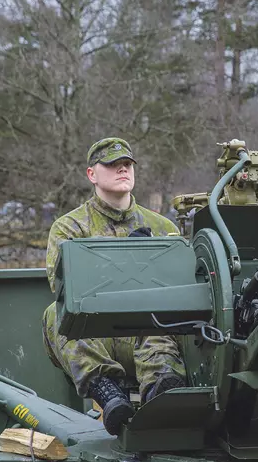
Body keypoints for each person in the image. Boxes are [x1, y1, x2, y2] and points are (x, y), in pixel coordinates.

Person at [41, 137, 187, 436]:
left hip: (152, 336)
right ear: (92, 174)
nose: (123, 170)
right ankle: (106, 391)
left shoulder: (163, 227)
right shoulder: (71, 228)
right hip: (101, 336)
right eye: (112, 165)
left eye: (127, 165)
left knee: (160, 315)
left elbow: (181, 287)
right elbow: (63, 287)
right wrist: (121, 257)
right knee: (55, 314)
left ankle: (161, 390)